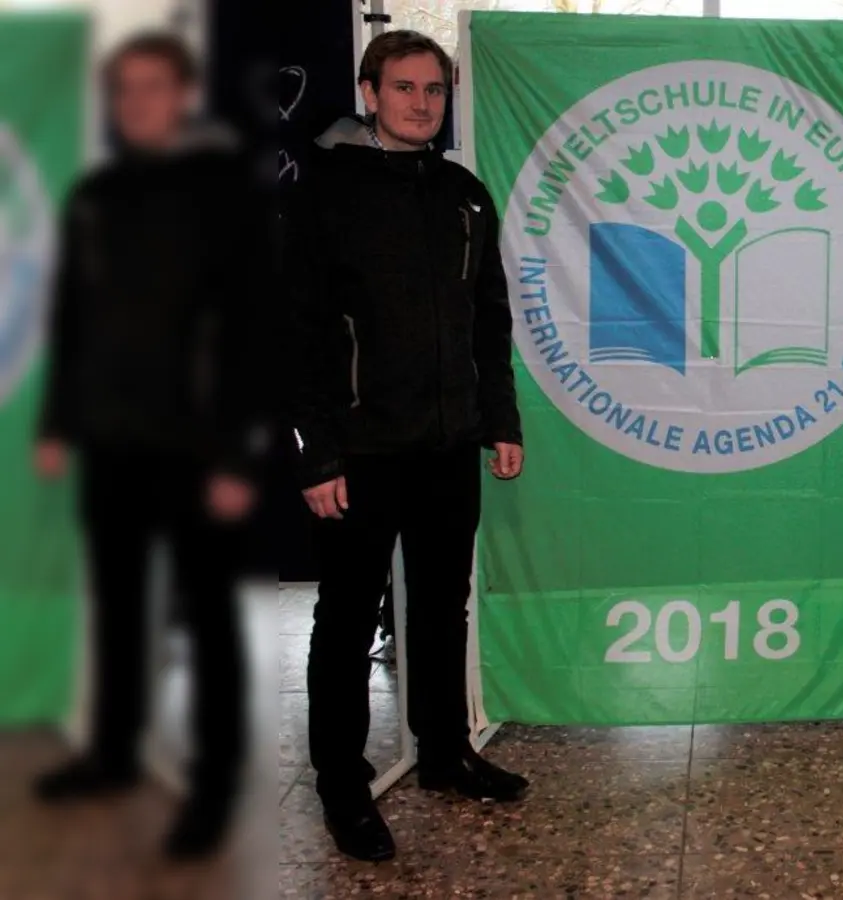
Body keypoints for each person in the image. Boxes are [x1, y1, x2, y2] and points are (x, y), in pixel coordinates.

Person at [286, 30, 527, 863]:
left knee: (441, 605)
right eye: (404, 88)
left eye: (434, 90)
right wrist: (316, 454)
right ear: (369, 92)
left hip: (448, 444)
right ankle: (342, 785)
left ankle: (445, 751)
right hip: (358, 451)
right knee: (347, 619)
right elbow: (297, 334)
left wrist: (500, 420)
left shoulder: (464, 195)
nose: (422, 104)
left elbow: (488, 320)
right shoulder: (325, 192)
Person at [31, 32, 265, 861]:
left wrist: (239, 455)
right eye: (124, 89)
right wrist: (57, 423)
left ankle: (213, 788)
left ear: (184, 94)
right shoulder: (93, 195)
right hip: (110, 439)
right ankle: (112, 754)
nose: (137, 102)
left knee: (208, 619)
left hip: (197, 448)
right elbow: (72, 316)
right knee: (120, 608)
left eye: (153, 86)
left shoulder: (224, 193)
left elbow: (250, 330)